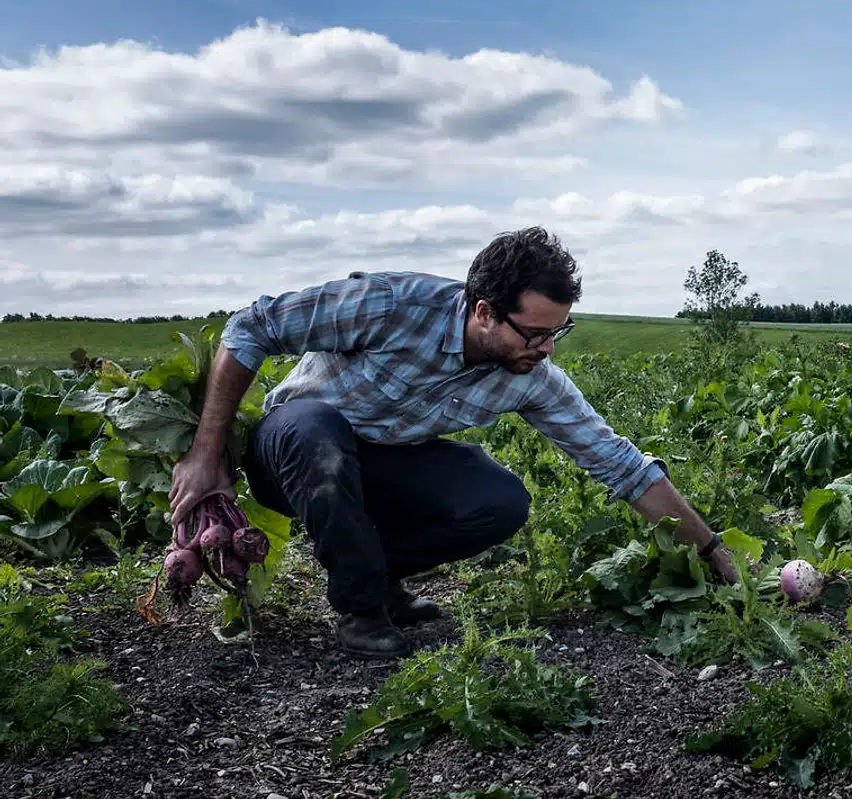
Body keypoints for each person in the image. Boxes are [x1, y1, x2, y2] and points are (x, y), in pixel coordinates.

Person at [167, 227, 741, 658]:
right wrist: (206, 454)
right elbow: (253, 326)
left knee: (500, 501)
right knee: (319, 431)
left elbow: (622, 465)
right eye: (535, 333)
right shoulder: (392, 305)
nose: (546, 349)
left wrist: (713, 550)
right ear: (484, 312)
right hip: (292, 449)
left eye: (557, 332)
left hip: (384, 462)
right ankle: (361, 609)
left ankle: (373, 574)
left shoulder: (531, 376)